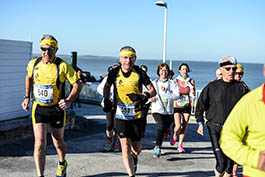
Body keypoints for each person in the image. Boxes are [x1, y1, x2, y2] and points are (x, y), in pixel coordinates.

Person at [21, 34, 82, 177]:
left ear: (56, 49)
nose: (46, 52)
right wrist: (26, 97)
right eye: (43, 49)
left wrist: (68, 100)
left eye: (50, 49)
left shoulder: (62, 66)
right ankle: (40, 175)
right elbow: (28, 77)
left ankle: (62, 163)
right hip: (39, 108)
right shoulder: (33, 64)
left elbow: (77, 84)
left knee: (58, 142)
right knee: (39, 143)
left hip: (56, 109)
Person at [103, 46, 156, 177]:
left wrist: (144, 96)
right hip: (120, 115)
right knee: (125, 147)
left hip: (136, 115)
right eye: (125, 58)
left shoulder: (139, 73)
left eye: (131, 58)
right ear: (120, 58)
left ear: (135, 59)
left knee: (137, 148)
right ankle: (131, 174)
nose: (128, 61)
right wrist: (106, 99)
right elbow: (107, 86)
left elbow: (152, 90)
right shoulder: (114, 72)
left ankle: (134, 157)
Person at [195, 56, 249, 177]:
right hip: (215, 127)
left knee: (230, 166)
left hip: (233, 131)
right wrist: (200, 122)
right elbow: (200, 105)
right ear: (221, 69)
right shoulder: (212, 87)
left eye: (233, 69)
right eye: (228, 69)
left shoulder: (241, 88)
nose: (231, 71)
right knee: (221, 163)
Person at [220, 63, 265, 177]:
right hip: (257, 173)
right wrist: (256, 159)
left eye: (240, 74)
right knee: (222, 165)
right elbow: (227, 139)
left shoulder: (245, 88)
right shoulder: (250, 101)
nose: (238, 75)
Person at [151, 63, 180, 158]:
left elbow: (176, 96)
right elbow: (148, 93)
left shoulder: (172, 83)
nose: (163, 72)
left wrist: (166, 92)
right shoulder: (154, 83)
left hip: (168, 111)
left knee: (165, 127)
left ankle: (166, 132)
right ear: (158, 71)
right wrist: (150, 98)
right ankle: (158, 147)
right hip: (157, 109)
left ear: (168, 72)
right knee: (161, 126)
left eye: (165, 70)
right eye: (161, 70)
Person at [171, 63, 195, 153]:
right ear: (180, 71)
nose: (185, 71)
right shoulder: (175, 80)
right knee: (178, 126)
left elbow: (192, 94)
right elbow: (172, 92)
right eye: (183, 69)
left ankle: (180, 145)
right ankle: (175, 134)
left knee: (184, 126)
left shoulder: (191, 81)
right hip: (177, 105)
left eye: (186, 69)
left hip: (187, 105)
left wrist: (193, 91)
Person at [97, 66, 119, 152]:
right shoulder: (107, 78)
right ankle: (109, 140)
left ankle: (115, 143)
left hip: (120, 104)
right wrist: (106, 95)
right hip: (110, 103)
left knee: (117, 126)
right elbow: (99, 88)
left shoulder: (123, 79)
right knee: (109, 125)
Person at [140, 65, 151, 138]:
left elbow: (151, 90)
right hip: (137, 101)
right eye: (142, 70)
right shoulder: (136, 79)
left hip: (146, 101)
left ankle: (142, 131)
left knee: (143, 117)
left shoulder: (148, 80)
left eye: (145, 71)